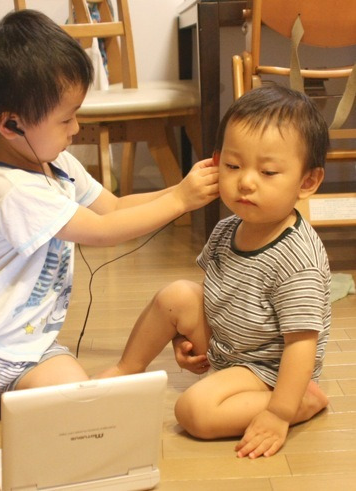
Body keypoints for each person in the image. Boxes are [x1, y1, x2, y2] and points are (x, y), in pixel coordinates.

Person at [0, 9, 219, 466]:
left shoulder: (55, 163)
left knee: (81, 418)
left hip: (33, 348)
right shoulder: (4, 188)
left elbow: (115, 206)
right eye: (65, 120)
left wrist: (183, 190)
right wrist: (180, 199)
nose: (75, 129)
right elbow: (101, 231)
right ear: (11, 125)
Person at [98, 84, 331, 459]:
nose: (246, 181)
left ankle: (303, 400)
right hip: (231, 346)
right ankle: (127, 368)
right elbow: (212, 297)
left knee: (194, 411)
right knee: (176, 295)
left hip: (269, 367)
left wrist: (277, 414)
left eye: (268, 171)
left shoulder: (297, 259)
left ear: (307, 182)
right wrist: (182, 340)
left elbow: (301, 345)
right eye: (233, 166)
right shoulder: (228, 228)